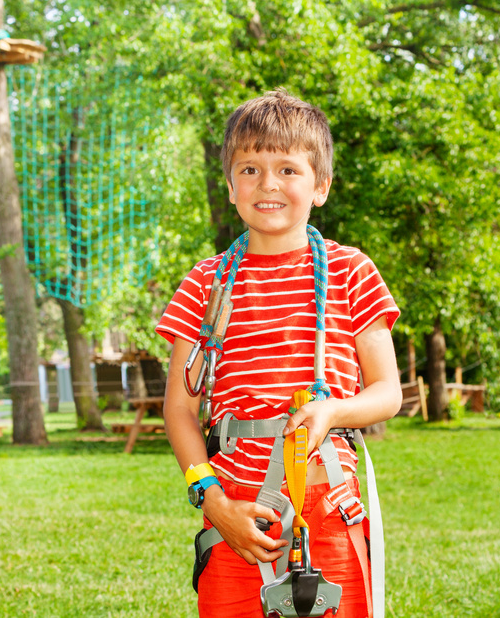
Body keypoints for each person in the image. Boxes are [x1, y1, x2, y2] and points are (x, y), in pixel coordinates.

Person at [156, 89, 403, 618]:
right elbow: (178, 409)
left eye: (288, 169)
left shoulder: (351, 273)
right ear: (229, 186)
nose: (268, 183)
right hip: (234, 512)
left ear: (321, 186)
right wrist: (212, 501)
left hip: (330, 509)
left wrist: (333, 410)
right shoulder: (205, 284)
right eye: (249, 168)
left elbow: (388, 392)